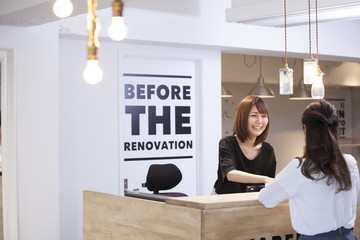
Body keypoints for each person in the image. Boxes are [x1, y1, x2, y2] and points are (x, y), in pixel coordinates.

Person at [258, 99, 360, 240]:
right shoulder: (350, 162)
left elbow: (266, 199)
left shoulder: (299, 168)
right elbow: (356, 197)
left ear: (305, 129)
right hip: (348, 236)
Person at [213, 96, 276, 194]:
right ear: (242, 118)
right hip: (223, 201)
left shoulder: (268, 150)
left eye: (264, 116)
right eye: (254, 115)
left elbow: (269, 185)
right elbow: (230, 174)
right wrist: (265, 179)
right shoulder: (227, 143)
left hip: (253, 203)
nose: (259, 121)